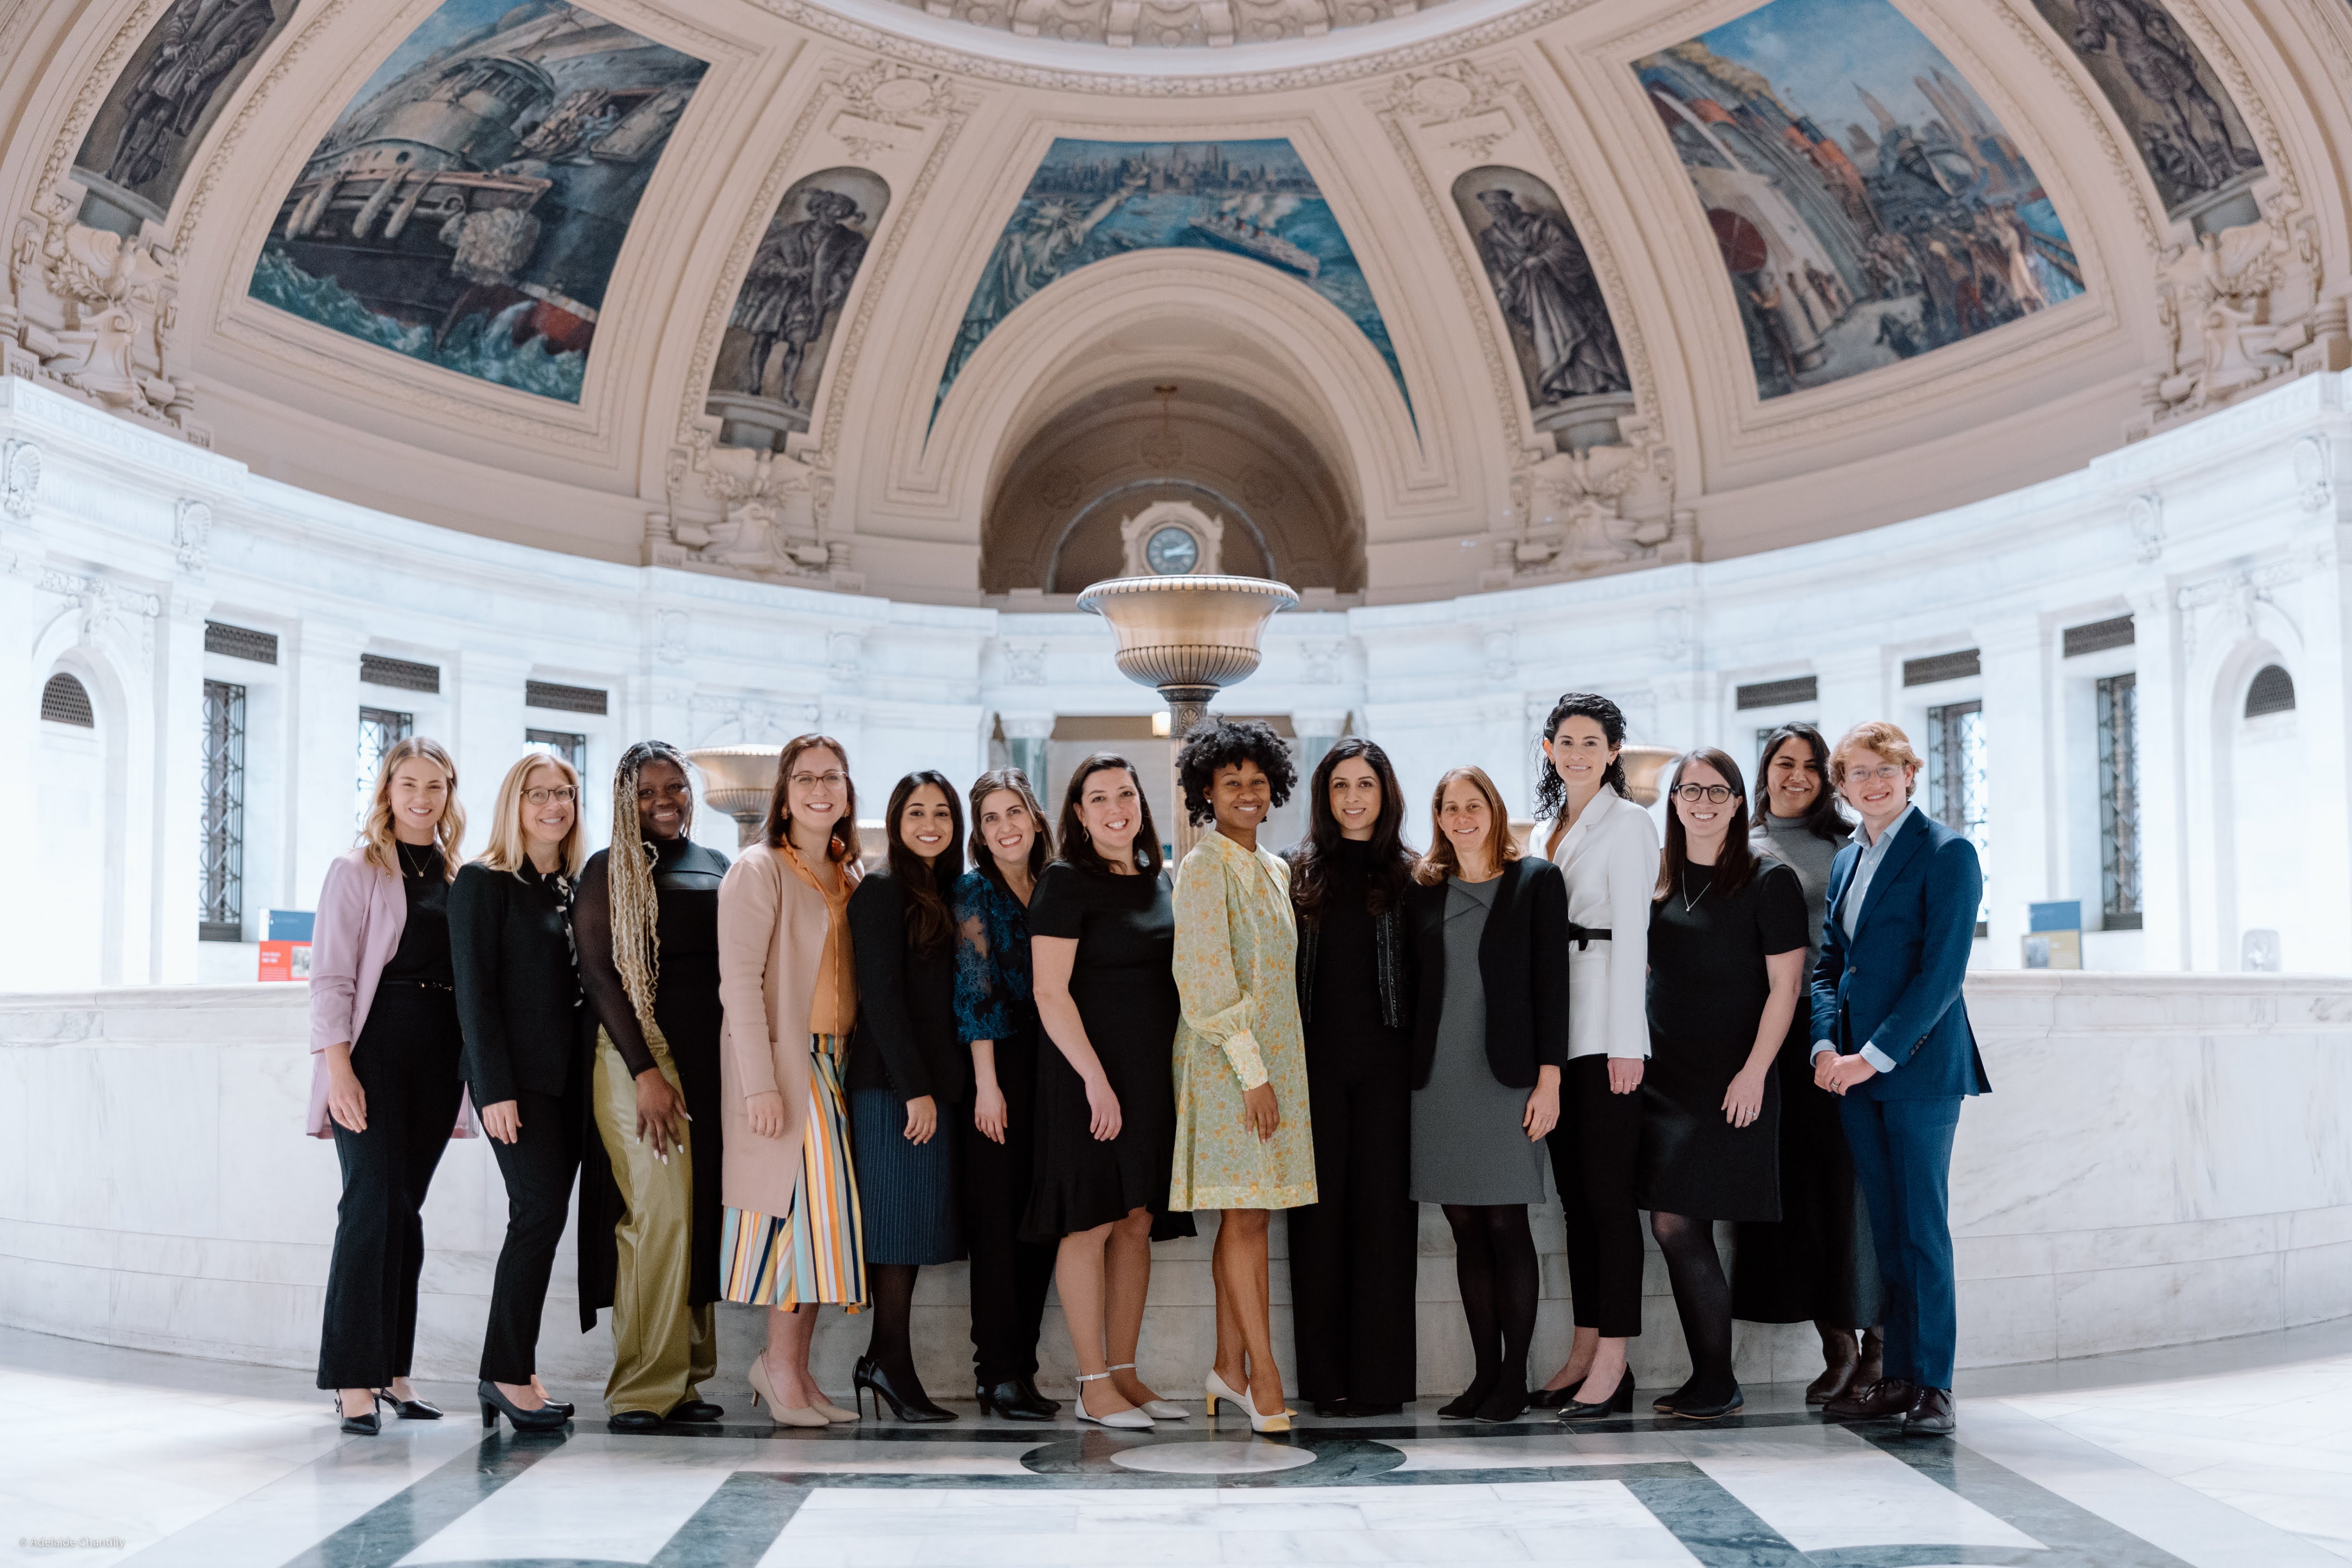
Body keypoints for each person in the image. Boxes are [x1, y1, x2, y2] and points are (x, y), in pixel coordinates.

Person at [1812, 721, 1990, 1438]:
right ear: (1843, 786)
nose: (1873, 782)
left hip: (1916, 1069)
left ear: (1909, 773)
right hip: (1849, 1073)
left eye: (1885, 768)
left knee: (1922, 1231)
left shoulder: (1948, 852)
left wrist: (1872, 1055)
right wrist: (1825, 1044)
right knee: (1887, 1232)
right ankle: (1897, 1377)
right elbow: (1830, 965)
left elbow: (1940, 976)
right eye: (1858, 772)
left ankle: (1934, 1385)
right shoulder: (1845, 861)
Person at [1638, 749, 1808, 1421]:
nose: (1701, 801)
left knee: (1676, 1221)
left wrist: (1754, 1072)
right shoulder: (1660, 878)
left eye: (1717, 790)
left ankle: (1717, 1380)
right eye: (1689, 790)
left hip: (1730, 1076)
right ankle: (1710, 1376)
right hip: (1665, 1075)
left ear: (1739, 802)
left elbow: (1785, 987)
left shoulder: (1770, 880)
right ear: (1673, 800)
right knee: (1675, 1221)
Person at [1026, 754, 1194, 1429]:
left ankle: (1126, 1375)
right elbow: (1047, 989)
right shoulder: (1065, 881)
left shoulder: (1159, 880)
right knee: (1089, 1219)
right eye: (1098, 798)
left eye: (1125, 793)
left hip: (1151, 1075)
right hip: (1085, 1075)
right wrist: (1095, 1079)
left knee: (1136, 1219)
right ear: (1078, 813)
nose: (1115, 807)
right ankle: (1092, 1383)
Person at [309, 738, 471, 1435]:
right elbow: (331, 978)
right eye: (408, 783)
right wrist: (337, 1066)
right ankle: (351, 1377)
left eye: (434, 786)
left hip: (439, 1056)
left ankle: (394, 1372)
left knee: (405, 1212)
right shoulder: (356, 870)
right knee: (368, 1207)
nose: (421, 797)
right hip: (372, 1052)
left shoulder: (464, 877)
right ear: (386, 790)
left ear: (448, 794)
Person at [575, 741, 731, 1433]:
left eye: (675, 787)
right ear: (623, 799)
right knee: (658, 1213)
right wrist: (644, 1071)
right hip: (638, 1051)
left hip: (707, 1059)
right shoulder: (608, 868)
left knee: (694, 1213)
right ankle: (642, 1388)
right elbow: (600, 973)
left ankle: (685, 1381)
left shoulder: (717, 865)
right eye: (646, 792)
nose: (665, 800)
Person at [1406, 765, 1569, 1425]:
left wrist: (1550, 1078)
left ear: (1494, 811)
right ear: (1438, 817)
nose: (1461, 816)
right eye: (1449, 807)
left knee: (1506, 1224)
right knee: (1463, 1228)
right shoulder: (1423, 889)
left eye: (1473, 805)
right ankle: (1480, 1375)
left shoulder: (1535, 881)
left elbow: (1553, 985)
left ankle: (1512, 1377)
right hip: (1438, 1078)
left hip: (1508, 1078)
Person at [1169, 719, 1317, 1435]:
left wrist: (1276, 1070)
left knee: (1247, 1214)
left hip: (1274, 1062)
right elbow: (1204, 982)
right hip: (1227, 1062)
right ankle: (1265, 1375)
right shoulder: (1201, 866)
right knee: (1245, 1216)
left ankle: (1227, 1367)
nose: (1247, 793)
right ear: (1207, 790)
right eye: (1232, 783)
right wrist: (1253, 1073)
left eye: (1258, 782)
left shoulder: (1275, 867)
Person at [716, 735, 869, 1426]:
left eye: (831, 777)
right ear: (784, 790)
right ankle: (776, 1367)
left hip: (835, 1062)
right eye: (805, 778)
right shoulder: (758, 869)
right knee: (792, 1221)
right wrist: (759, 1086)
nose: (819, 789)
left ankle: (794, 1370)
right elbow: (739, 985)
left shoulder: (848, 873)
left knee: (817, 1225)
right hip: (785, 1062)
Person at [1733, 724, 1884, 1404]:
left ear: (1829, 778)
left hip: (1839, 1029)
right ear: (1762, 771)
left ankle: (1880, 1344)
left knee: (1854, 1191)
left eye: (1809, 765)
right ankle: (1836, 1347)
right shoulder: (1739, 846)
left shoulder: (1850, 842)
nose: (1795, 775)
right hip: (1768, 1033)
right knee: (1797, 1196)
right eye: (1781, 762)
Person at [1529, 693, 1657, 1419]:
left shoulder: (1630, 822)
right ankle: (1581, 1349)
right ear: (1548, 748)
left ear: (1613, 752)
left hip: (1608, 1039)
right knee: (1575, 1205)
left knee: (1609, 1204)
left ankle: (1615, 1361)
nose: (1578, 751)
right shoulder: (1551, 826)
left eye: (1592, 741)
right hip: (1559, 1036)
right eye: (1566, 740)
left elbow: (1636, 936)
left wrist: (1627, 1044)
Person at [451, 752, 586, 1432]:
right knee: (536, 1214)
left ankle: (515, 1369)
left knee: (545, 1218)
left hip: (569, 1085)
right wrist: (492, 1087)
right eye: (538, 794)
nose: (553, 805)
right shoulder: (483, 881)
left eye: (563, 793)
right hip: (517, 1086)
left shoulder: (569, 887)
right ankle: (504, 1373)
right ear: (515, 803)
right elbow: (474, 994)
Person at [1285, 739, 1419, 1419]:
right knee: (1317, 1224)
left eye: (1364, 784)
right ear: (1324, 795)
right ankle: (1326, 1379)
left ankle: (1380, 1378)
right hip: (1311, 1072)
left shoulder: (1412, 874)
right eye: (1340, 785)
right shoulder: (1295, 872)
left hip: (1390, 1073)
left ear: (1384, 792)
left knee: (1384, 1222)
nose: (1352, 797)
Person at [846, 771, 970, 1422]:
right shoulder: (882, 888)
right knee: (896, 1232)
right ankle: (889, 1365)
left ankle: (882, 1358)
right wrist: (913, 1089)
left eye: (942, 812)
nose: (930, 823)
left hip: (934, 1082)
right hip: (892, 1084)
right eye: (916, 811)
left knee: (914, 1227)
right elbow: (882, 998)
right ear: (895, 820)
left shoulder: (947, 891)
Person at [953, 769, 1061, 1422]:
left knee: (1039, 1225)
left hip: (1052, 1069)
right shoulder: (974, 890)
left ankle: (1023, 1369)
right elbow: (975, 991)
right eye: (990, 817)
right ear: (981, 831)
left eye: (1013, 811)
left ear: (1035, 816)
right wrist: (987, 1087)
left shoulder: (1051, 884)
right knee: (997, 1230)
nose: (1004, 826)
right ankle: (995, 1374)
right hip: (998, 1068)